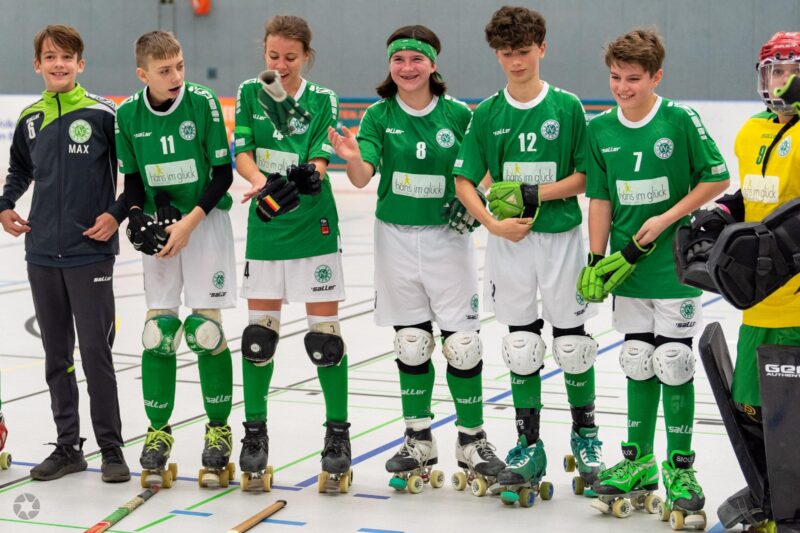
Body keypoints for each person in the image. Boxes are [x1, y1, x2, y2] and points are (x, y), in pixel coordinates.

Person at [328, 24, 505, 494]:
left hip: (448, 238)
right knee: (411, 342)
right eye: (399, 60)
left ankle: (472, 439)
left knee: (463, 344)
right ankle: (418, 438)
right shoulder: (378, 115)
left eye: (416, 59)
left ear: (433, 64)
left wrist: (478, 196)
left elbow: (483, 167)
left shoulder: (459, 115)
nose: (407, 68)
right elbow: (362, 176)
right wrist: (351, 157)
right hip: (396, 239)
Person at [451, 6, 603, 500]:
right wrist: (491, 222)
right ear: (496, 54)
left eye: (523, 51)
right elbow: (464, 180)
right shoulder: (486, 114)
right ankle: (527, 444)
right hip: (508, 242)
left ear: (542, 48)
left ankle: (587, 437)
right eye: (505, 53)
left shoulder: (567, 107)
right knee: (521, 344)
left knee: (574, 344)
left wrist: (534, 194)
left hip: (560, 238)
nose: (515, 61)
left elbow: (585, 177)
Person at [579, 29, 729, 526]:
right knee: (638, 360)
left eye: (634, 79)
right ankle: (638, 461)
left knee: (674, 361)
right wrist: (596, 259)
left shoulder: (679, 119)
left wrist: (667, 218)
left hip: (675, 265)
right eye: (615, 77)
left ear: (656, 76)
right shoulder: (600, 129)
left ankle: (681, 470)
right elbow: (600, 197)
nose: (622, 88)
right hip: (628, 266)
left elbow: (716, 176)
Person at [0, 24, 129, 482]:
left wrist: (115, 214)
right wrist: (5, 204)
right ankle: (68, 446)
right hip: (41, 253)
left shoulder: (103, 114)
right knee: (57, 357)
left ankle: (111, 449)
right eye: (51, 57)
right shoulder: (30, 118)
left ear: (80, 64)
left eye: (67, 57)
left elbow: (134, 176)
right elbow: (19, 170)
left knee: (96, 356)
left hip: (89, 252)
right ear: (38, 64)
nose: (59, 64)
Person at [235, 15, 351, 492]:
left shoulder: (323, 98)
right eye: (273, 56)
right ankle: (255, 434)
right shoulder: (250, 92)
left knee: (325, 340)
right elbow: (243, 151)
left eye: (290, 57)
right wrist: (263, 183)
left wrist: (311, 175)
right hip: (267, 221)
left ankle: (337, 436)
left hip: (313, 225)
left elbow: (320, 157)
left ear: (306, 56)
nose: (280, 65)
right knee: (258, 337)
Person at [116, 30, 236, 488]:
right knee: (158, 333)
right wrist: (135, 215)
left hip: (204, 224)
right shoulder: (127, 114)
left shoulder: (202, 103)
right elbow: (132, 180)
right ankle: (158, 433)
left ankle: (218, 430)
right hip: (159, 226)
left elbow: (221, 174)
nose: (176, 77)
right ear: (142, 73)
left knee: (206, 331)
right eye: (165, 70)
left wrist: (189, 223)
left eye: (180, 66)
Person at [714, 31, 800, 530]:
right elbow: (754, 192)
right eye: (772, 71)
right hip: (758, 299)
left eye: (789, 71)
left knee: (791, 409)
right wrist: (723, 212)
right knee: (749, 405)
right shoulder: (752, 131)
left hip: (797, 301)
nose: (779, 81)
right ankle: (770, 494)